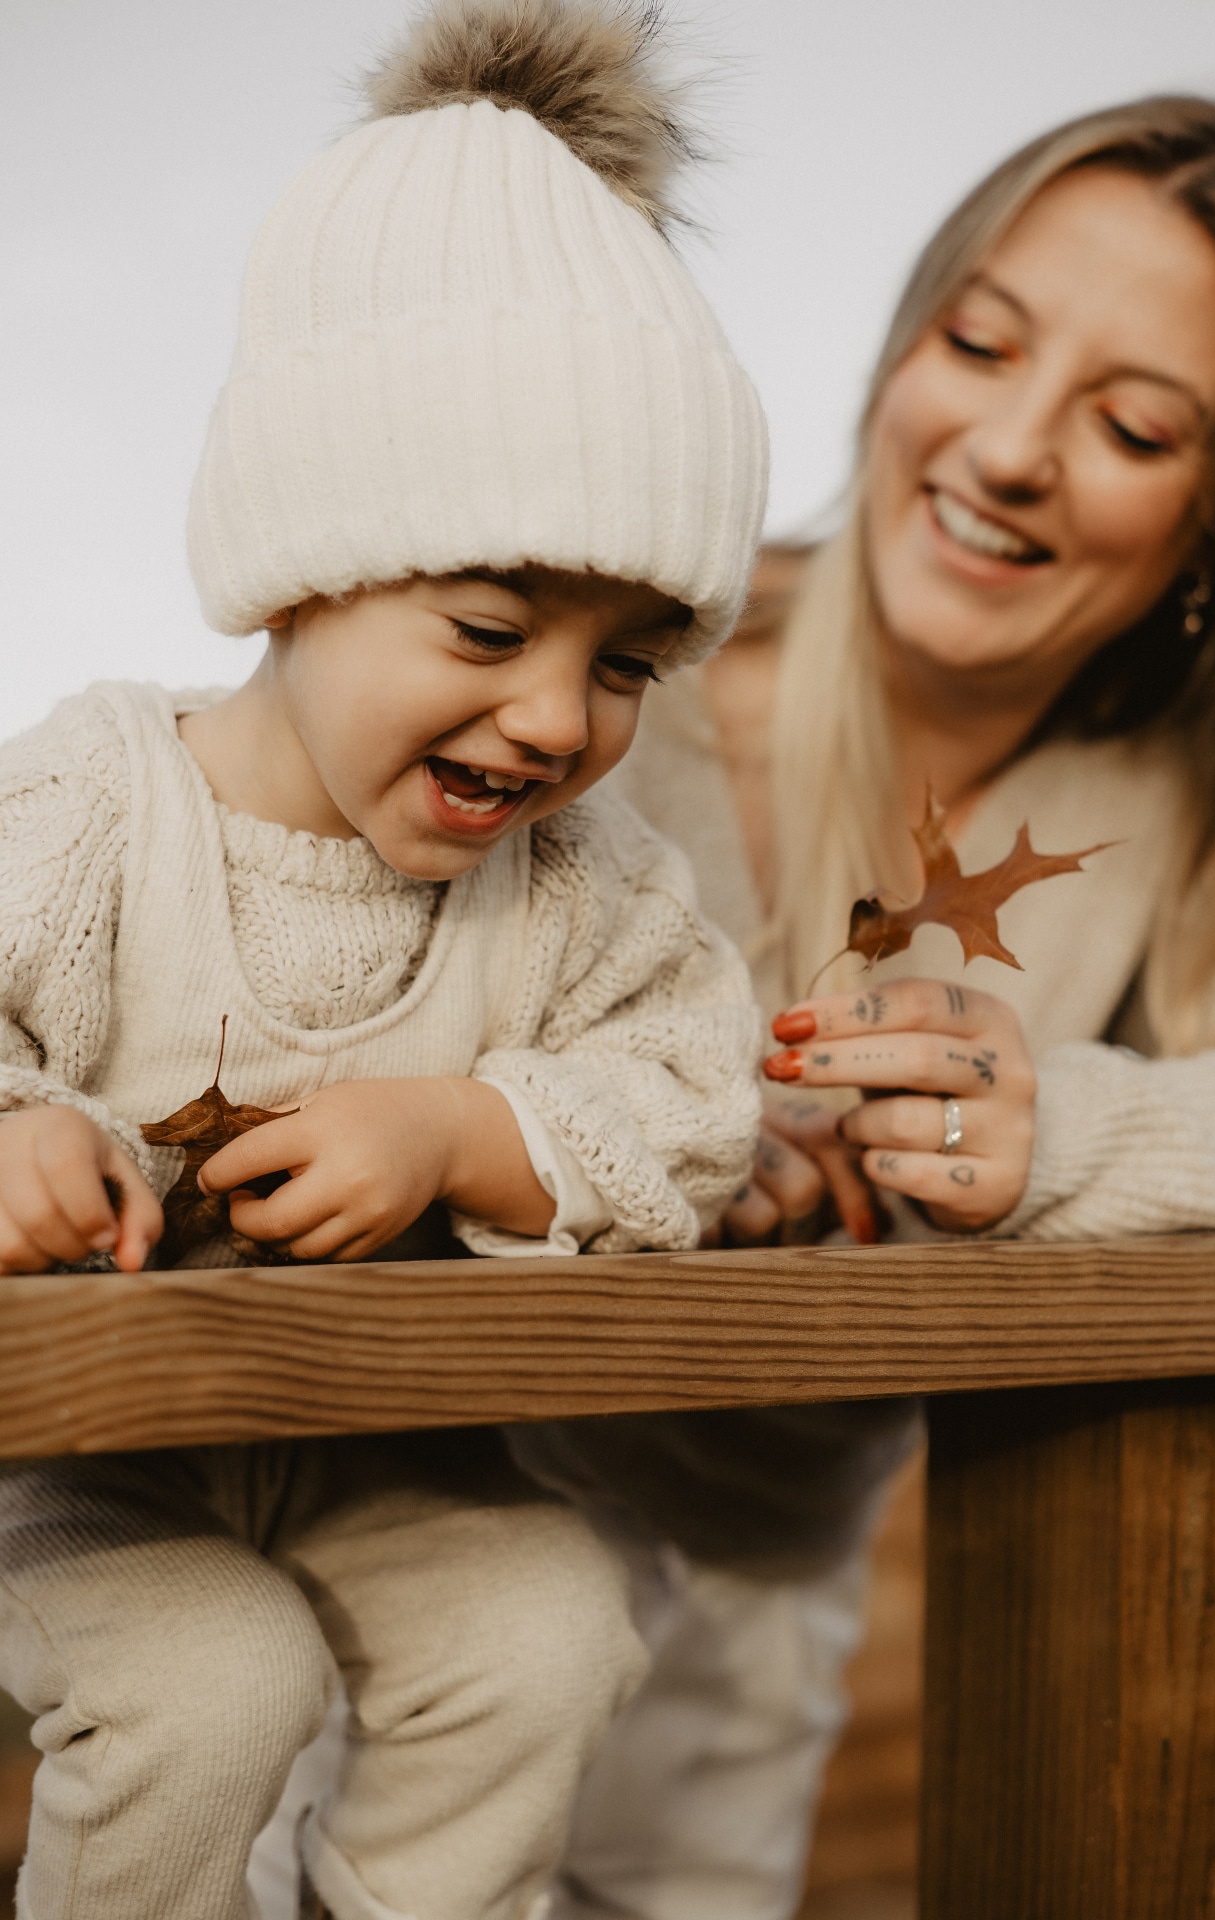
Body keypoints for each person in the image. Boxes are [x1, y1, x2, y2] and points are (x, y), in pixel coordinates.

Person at [0, 2, 769, 1916]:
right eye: (493, 622)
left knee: (551, 1618)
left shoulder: (586, 884)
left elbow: (694, 1106)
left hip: (378, 1451)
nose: (556, 716)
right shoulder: (97, 805)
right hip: (73, 1468)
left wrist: (459, 1129)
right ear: (307, 561)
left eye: (625, 663)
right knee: (210, 1673)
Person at [546, 94, 1215, 1920]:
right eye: (980, 341)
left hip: (759, 1626)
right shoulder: (591, 655)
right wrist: (633, 1135)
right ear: (901, 349)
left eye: (1133, 425)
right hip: (388, 1558)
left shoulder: (1199, 824)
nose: (1014, 448)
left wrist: (1072, 1128)